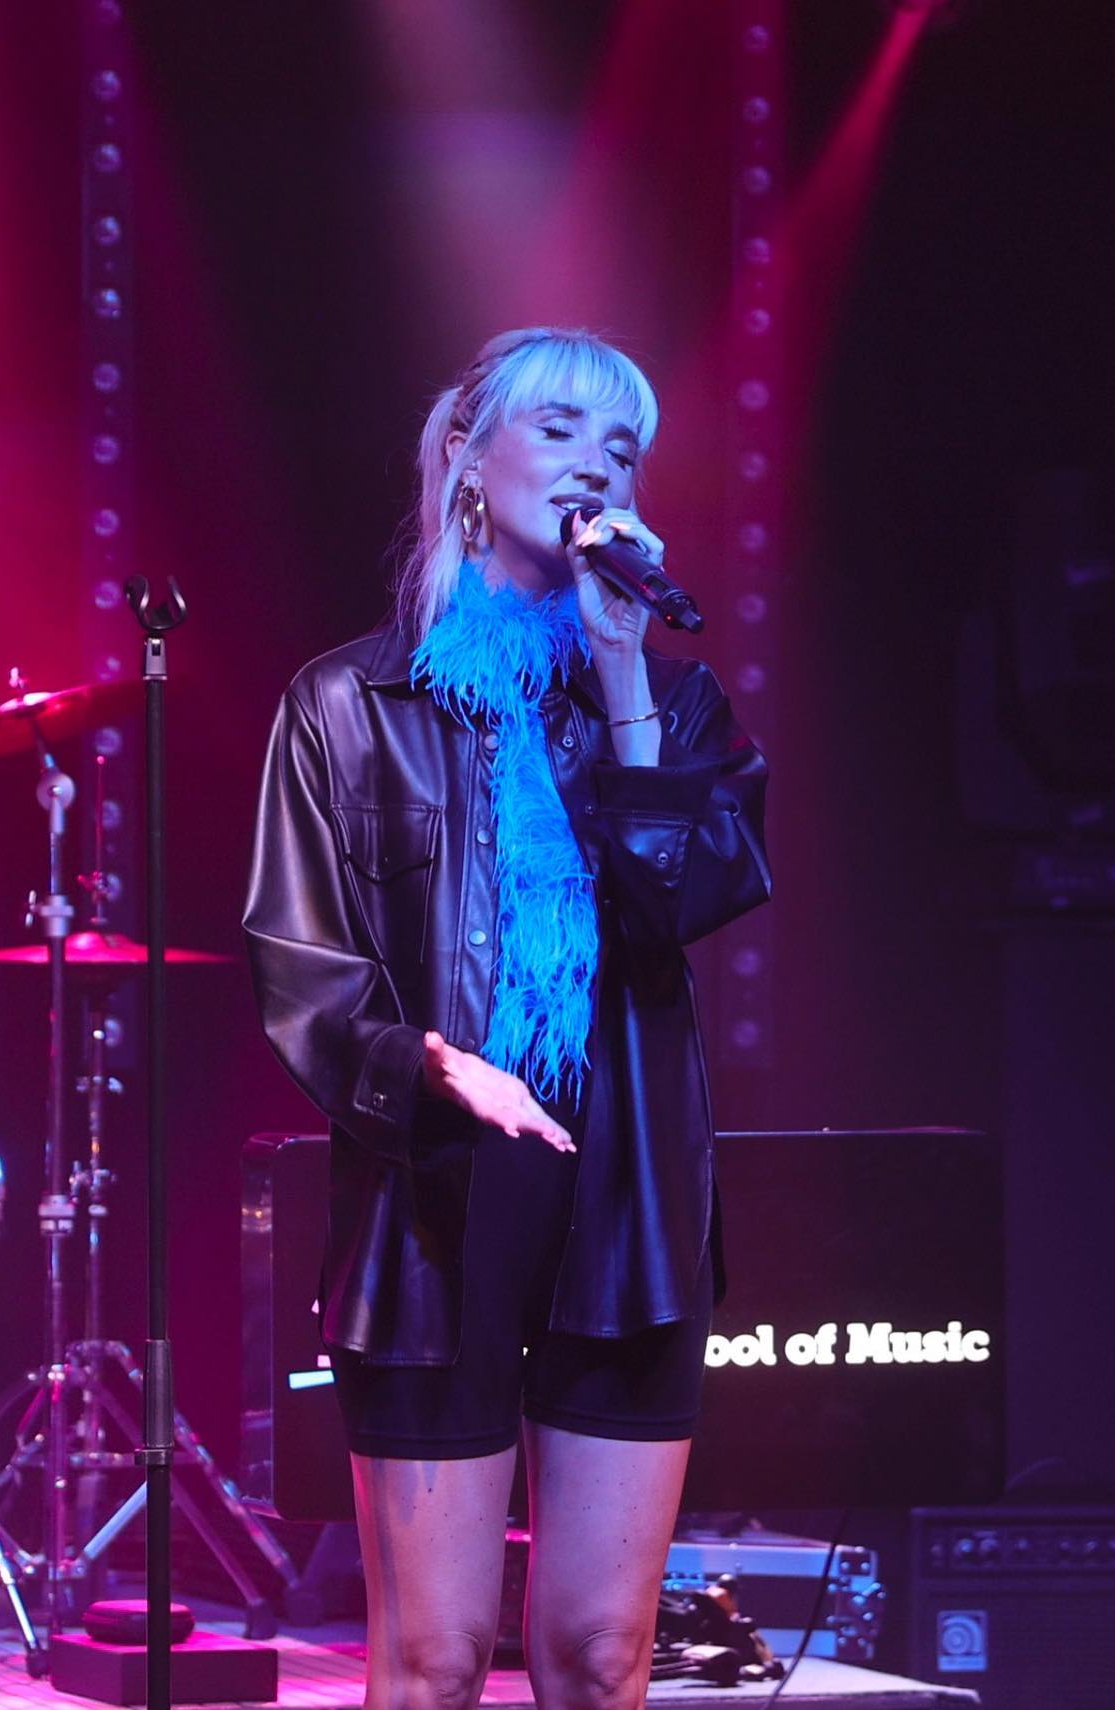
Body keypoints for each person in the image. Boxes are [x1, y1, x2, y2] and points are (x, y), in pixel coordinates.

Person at [244, 327, 771, 1710]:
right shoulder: (349, 703)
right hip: (436, 1188)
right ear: (467, 464)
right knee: (429, 1657)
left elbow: (679, 913)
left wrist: (628, 684)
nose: (600, 461)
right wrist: (426, 1063)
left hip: (627, 1189)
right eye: (562, 430)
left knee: (600, 1653)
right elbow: (303, 969)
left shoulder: (675, 697)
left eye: (623, 445)